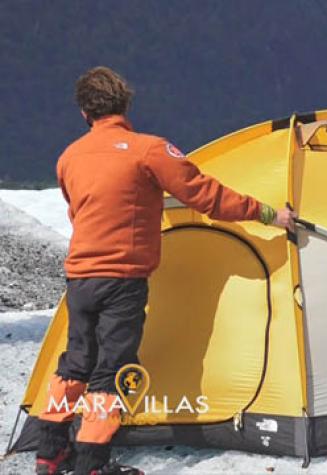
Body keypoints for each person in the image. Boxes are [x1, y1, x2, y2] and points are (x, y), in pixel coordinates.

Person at [35, 67, 296, 475]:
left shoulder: (68, 157)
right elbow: (206, 195)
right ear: (125, 105)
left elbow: (79, 211)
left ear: (85, 113)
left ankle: (49, 453)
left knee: (74, 363)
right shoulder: (148, 150)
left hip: (80, 276)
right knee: (112, 369)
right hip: (122, 279)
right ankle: (91, 463)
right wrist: (266, 213)